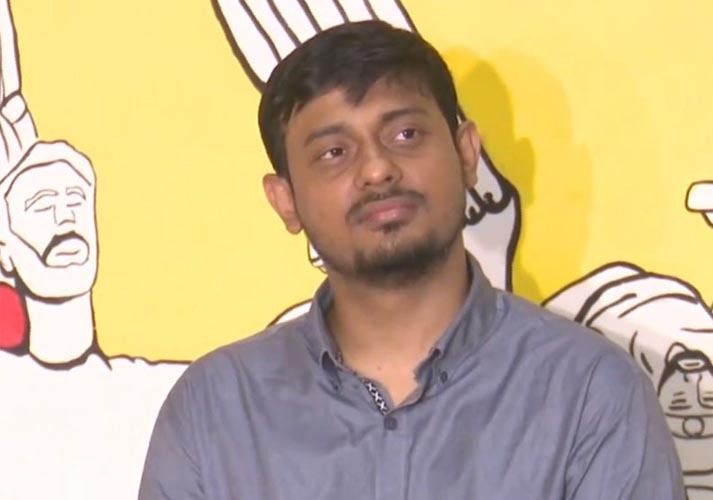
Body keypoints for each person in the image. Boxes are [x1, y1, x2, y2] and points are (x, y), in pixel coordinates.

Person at [139, 20, 684, 499]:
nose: (377, 169)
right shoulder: (215, 410)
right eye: (334, 152)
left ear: (467, 154)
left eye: (405, 134)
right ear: (286, 200)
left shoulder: (589, 392)